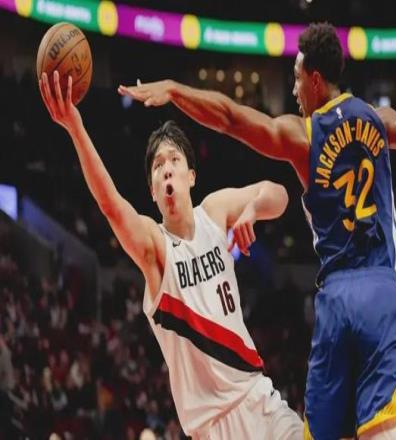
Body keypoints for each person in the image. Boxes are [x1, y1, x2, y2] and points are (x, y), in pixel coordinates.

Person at [118, 22, 396, 439]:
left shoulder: (304, 137)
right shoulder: (379, 120)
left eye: (298, 78)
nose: (295, 89)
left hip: (335, 299)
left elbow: (229, 118)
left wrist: (176, 90)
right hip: (379, 291)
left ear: (316, 80)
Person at [39, 70, 304, 439]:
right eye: (158, 165)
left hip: (260, 401)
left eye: (174, 160)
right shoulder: (155, 247)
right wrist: (76, 129)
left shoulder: (215, 211)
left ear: (191, 176)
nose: (166, 169)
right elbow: (111, 206)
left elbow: (280, 193)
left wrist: (254, 209)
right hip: (212, 429)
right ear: (152, 191)